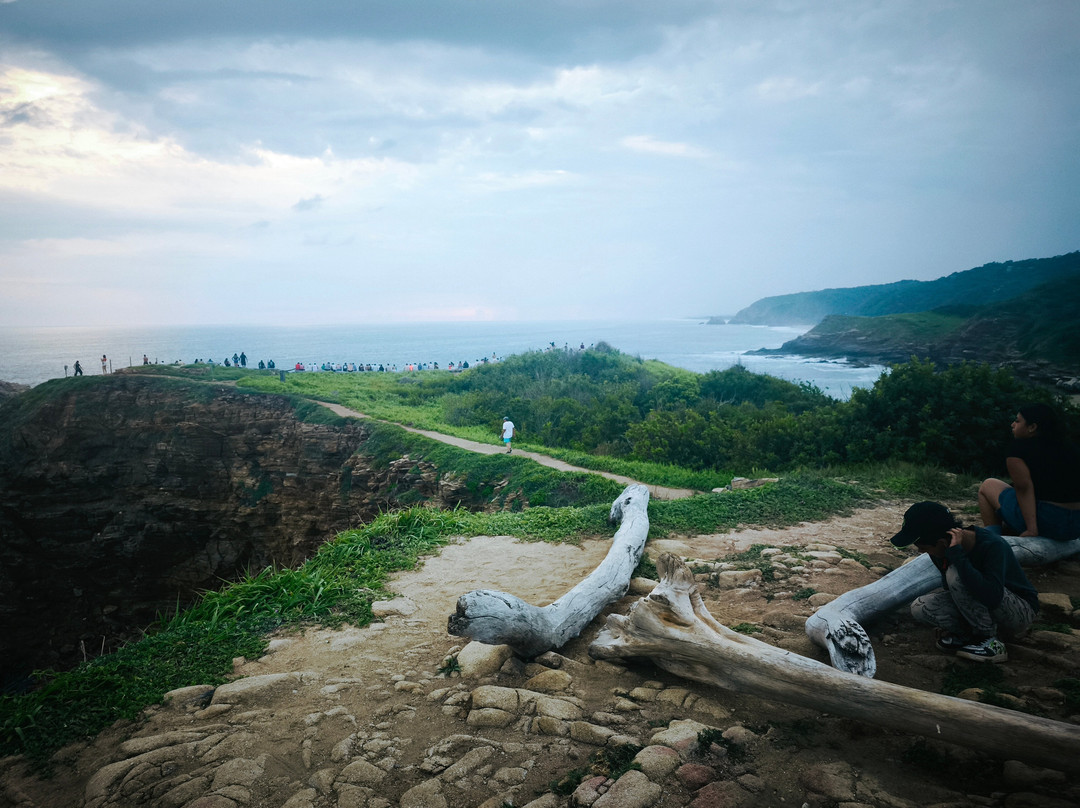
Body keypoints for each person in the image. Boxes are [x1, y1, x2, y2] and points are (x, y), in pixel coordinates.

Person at [892, 501, 1038, 663]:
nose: (920, 551)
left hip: (1019, 611)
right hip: (986, 608)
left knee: (956, 574)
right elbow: (954, 593)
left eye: (922, 546)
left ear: (941, 542)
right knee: (920, 607)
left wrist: (959, 558)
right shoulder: (940, 552)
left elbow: (993, 596)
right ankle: (970, 635)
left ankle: (989, 640)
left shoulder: (992, 545)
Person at [978, 404, 1080, 541]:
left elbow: (1023, 488)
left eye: (1017, 421)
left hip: (1048, 520)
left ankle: (993, 539)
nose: (1012, 424)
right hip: (1075, 526)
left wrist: (1031, 529)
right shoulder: (1071, 448)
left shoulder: (1018, 449)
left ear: (1032, 427)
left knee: (988, 485)